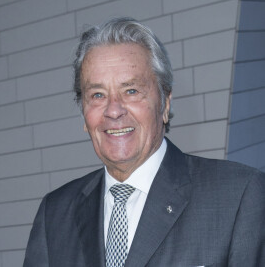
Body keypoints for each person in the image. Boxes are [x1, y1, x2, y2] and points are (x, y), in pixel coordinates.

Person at [23, 17, 265, 267]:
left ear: (164, 103)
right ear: (84, 113)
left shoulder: (238, 196)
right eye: (97, 94)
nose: (113, 110)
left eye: (131, 91)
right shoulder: (54, 214)